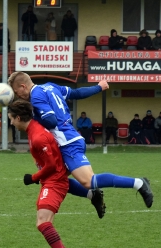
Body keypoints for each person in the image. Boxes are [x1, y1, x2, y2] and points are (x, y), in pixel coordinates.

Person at [8, 71, 153, 215]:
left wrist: (32, 119)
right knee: (54, 178)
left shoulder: (36, 97)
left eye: (16, 92)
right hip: (68, 139)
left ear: (23, 86)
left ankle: (139, 183)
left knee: (89, 181)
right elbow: (76, 93)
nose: (17, 95)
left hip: (67, 143)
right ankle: (93, 195)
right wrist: (98, 87)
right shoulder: (50, 86)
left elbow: (51, 120)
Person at [8, 99, 76, 248]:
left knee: (42, 222)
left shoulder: (38, 136)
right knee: (45, 222)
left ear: (19, 117)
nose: (11, 123)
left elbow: (52, 165)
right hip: (51, 181)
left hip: (55, 181)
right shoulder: (33, 129)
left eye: (11, 119)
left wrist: (33, 178)